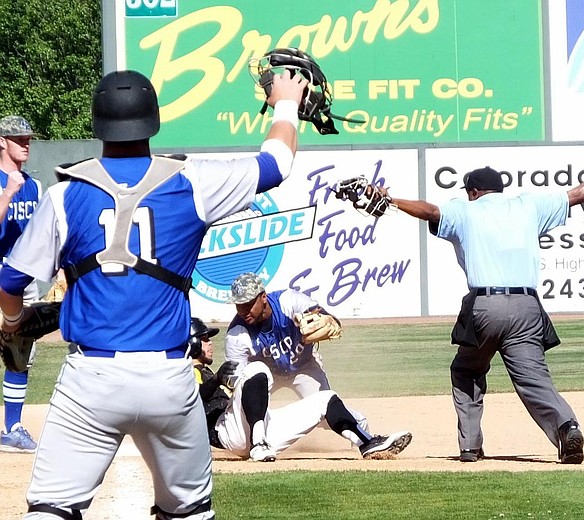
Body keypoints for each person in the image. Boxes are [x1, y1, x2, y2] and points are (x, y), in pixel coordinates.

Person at [0, 68, 308, 520]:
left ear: (97, 124)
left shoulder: (67, 195)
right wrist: (285, 101)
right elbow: (276, 164)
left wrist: (12, 324)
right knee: (189, 511)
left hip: (92, 379)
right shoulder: (191, 182)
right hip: (169, 379)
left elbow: (10, 284)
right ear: (154, 121)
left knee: (51, 509)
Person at [377, 156, 584, 464]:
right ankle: (567, 427)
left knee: (466, 370)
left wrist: (391, 200)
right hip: (527, 307)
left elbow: (430, 211)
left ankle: (470, 447)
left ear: (473, 191)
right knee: (534, 378)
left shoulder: (465, 209)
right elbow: (579, 194)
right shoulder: (529, 206)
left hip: (485, 306)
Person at [223, 272, 412, 461]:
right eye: (239, 305)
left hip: (303, 368)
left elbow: (327, 317)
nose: (243, 310)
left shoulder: (287, 301)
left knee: (325, 410)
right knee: (248, 406)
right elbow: (239, 380)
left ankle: (364, 435)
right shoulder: (236, 335)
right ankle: (250, 442)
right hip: (267, 377)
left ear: (263, 297)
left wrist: (329, 321)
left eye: (248, 304)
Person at [189, 317, 412, 462]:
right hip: (229, 433)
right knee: (257, 368)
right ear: (192, 344)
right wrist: (216, 379)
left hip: (259, 429)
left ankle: (367, 444)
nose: (210, 343)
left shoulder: (207, 373)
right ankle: (258, 444)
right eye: (205, 338)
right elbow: (190, 400)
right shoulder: (185, 372)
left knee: (325, 399)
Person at [0, 115, 42, 453]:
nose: (25, 143)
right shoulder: (7, 183)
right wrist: (8, 192)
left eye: (28, 138)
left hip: (23, 279)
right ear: (2, 142)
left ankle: (13, 426)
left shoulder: (35, 185)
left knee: (20, 353)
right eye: (18, 138)